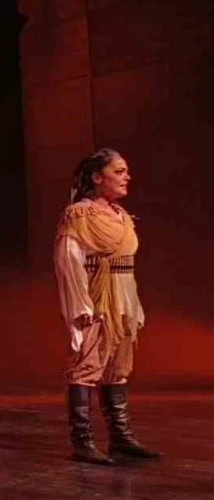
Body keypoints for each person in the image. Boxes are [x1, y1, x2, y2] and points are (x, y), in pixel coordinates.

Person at [55, 149, 160, 464]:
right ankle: (82, 441)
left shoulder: (122, 215)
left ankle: (121, 437)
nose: (127, 177)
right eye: (119, 171)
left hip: (123, 298)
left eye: (126, 171)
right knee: (86, 366)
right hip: (97, 300)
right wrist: (80, 306)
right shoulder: (79, 215)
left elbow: (126, 267)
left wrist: (133, 305)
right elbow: (68, 263)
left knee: (118, 368)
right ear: (97, 177)